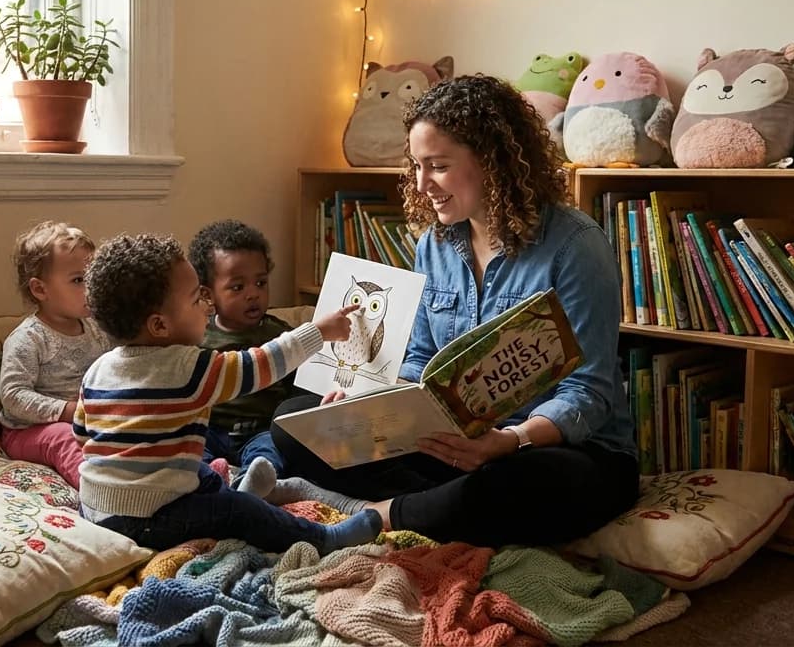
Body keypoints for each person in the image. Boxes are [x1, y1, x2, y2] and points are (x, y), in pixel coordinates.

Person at [269, 74, 639, 548]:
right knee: (294, 422)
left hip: (561, 449)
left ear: (492, 162)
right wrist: (367, 402)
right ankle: (441, 509)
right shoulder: (435, 244)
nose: (422, 184)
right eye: (417, 166)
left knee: (517, 484)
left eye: (438, 166)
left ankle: (380, 514)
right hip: (458, 443)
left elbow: (589, 392)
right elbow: (422, 357)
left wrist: (509, 440)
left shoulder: (575, 247)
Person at [75, 233, 381, 553]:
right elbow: (261, 364)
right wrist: (318, 331)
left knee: (205, 475)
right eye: (197, 300)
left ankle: (240, 486)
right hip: (145, 520)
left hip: (94, 507)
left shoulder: (98, 369)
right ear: (159, 325)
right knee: (237, 510)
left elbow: (83, 434)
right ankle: (323, 538)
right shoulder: (189, 368)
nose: (207, 308)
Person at [190, 219, 313, 478]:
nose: (253, 294)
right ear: (208, 295)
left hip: (260, 430)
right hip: (211, 429)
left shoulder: (280, 335)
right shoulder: (199, 335)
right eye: (238, 287)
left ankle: (253, 480)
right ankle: (210, 477)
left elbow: (299, 383)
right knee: (190, 451)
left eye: (260, 283)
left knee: (270, 453)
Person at [0, 221, 111, 489]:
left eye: (93, 276)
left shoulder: (96, 329)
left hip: (88, 420)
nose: (91, 287)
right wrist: (66, 411)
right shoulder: (30, 338)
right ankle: (97, 491)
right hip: (29, 431)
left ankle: (189, 473)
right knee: (63, 438)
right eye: (78, 280)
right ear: (40, 290)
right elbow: (13, 396)